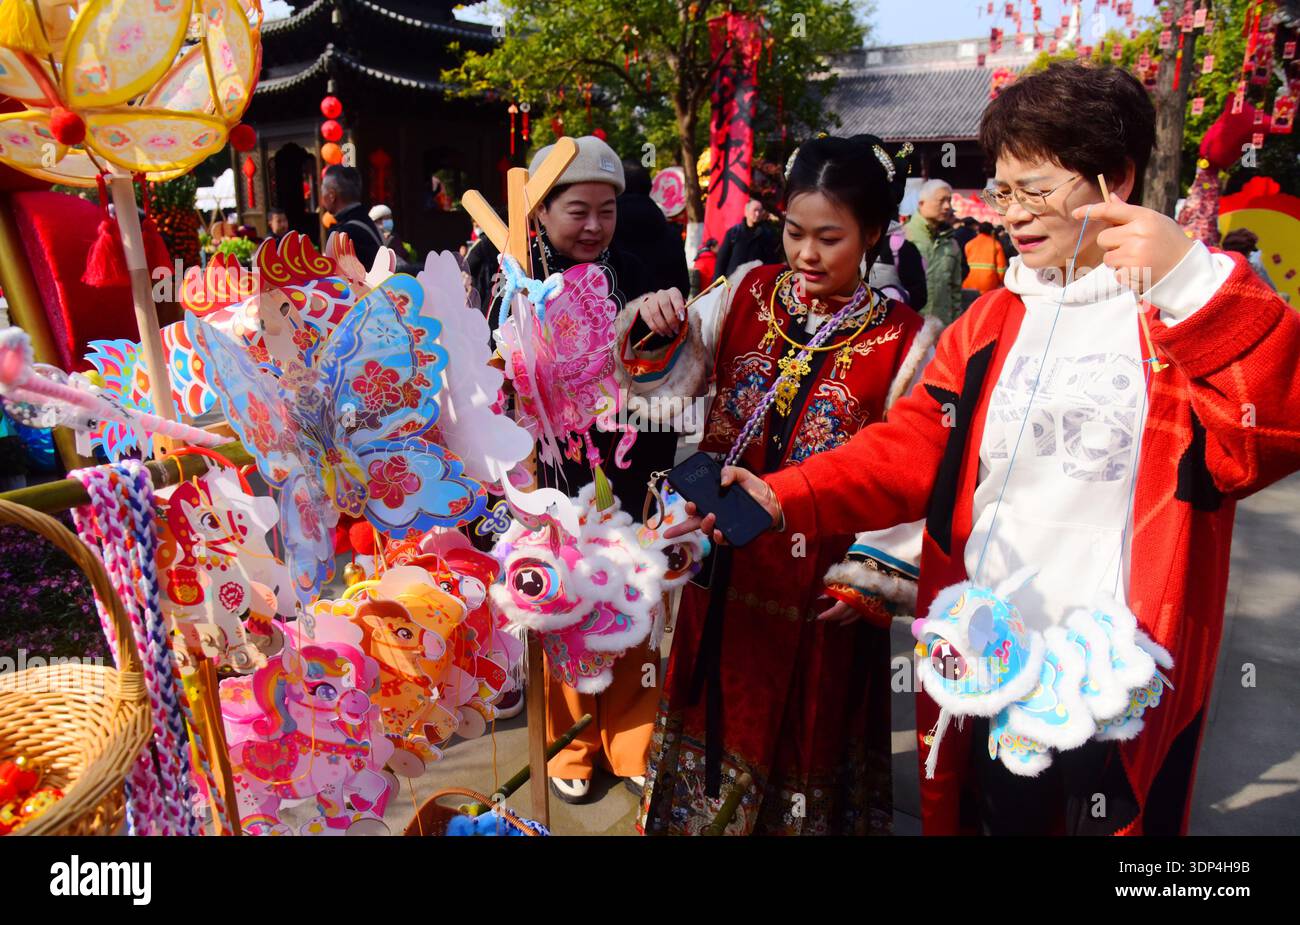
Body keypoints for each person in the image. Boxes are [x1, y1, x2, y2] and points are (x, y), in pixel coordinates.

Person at [668, 62, 1300, 837]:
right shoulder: (988, 323)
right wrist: (784, 491)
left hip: (1120, 665)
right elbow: (908, 448)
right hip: (988, 652)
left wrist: (1190, 279)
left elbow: (1266, 434)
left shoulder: (1173, 313)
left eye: (1035, 188)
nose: (1012, 215)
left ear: (1117, 178)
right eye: (1002, 192)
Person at [629, 134, 943, 835]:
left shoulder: (907, 339)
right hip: (720, 563)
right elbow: (668, 393)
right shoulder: (744, 291)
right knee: (710, 716)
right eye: (795, 232)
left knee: (807, 739)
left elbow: (913, 466)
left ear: (871, 234)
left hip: (819, 586)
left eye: (829, 237)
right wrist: (657, 331)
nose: (805, 254)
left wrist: (875, 575)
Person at [473, 135, 683, 804]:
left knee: (629, 600)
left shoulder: (633, 267)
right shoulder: (498, 274)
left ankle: (632, 739)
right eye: (576, 211)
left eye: (606, 210)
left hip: (623, 468)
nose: (594, 226)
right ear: (538, 212)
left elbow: (666, 373)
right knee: (556, 608)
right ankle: (570, 742)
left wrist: (660, 325)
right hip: (543, 479)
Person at [612, 161, 690, 296]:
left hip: (617, 314)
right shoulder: (671, 233)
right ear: (650, 187)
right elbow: (683, 287)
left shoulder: (604, 231)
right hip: (666, 313)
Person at [906, 179, 964, 323]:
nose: (947, 206)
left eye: (949, 201)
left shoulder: (952, 243)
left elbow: (955, 291)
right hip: (909, 328)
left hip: (942, 328)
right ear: (921, 203)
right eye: (941, 200)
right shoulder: (902, 237)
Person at [321, 164, 384, 271]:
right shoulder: (365, 221)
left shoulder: (345, 233)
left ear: (332, 195)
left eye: (322, 190)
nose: (321, 195)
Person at [714, 198, 782, 279]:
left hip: (754, 284)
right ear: (746, 211)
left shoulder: (767, 235)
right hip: (731, 283)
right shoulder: (733, 233)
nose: (757, 214)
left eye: (760, 211)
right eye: (755, 210)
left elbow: (771, 261)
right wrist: (717, 284)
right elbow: (721, 261)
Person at [868, 218, 928, 306]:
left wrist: (898, 300)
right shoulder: (852, 240)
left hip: (893, 316)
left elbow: (919, 295)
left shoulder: (901, 246)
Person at [369, 204, 418, 272]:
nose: (389, 221)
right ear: (376, 221)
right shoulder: (371, 239)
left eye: (390, 218)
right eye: (385, 218)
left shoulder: (394, 237)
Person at [962, 221, 1008, 294]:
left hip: (969, 283)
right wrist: (1001, 281)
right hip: (989, 284)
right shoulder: (996, 245)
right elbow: (1001, 268)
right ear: (991, 232)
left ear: (978, 231)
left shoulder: (969, 244)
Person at [953, 215, 979, 279]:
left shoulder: (956, 232)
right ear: (972, 225)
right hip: (967, 260)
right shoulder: (972, 235)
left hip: (956, 259)